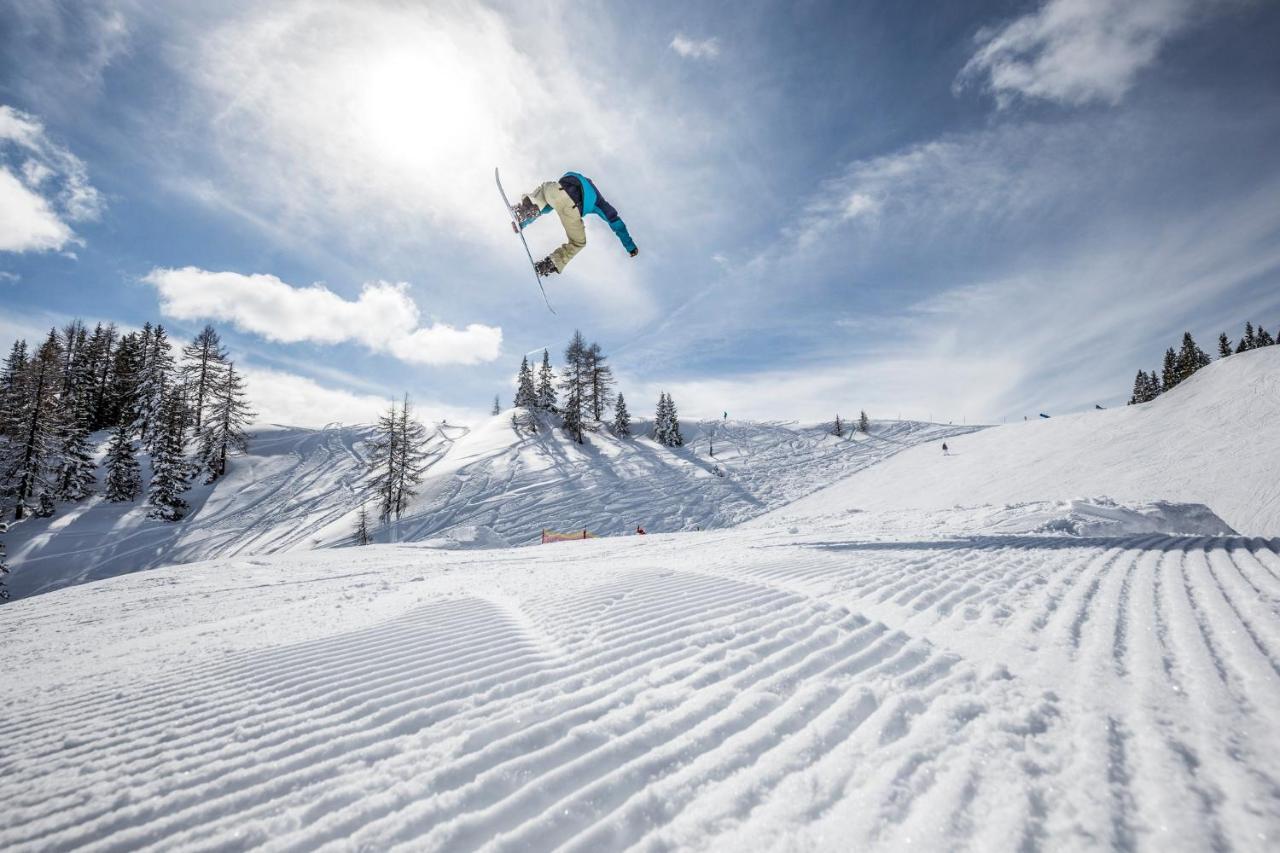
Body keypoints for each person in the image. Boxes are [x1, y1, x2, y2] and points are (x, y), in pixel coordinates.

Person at [512, 171, 638, 276]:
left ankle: (525, 211)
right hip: (572, 209)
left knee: (545, 192)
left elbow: (548, 206)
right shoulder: (599, 201)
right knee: (578, 243)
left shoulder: (572, 175)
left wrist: (523, 224)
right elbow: (615, 221)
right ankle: (550, 264)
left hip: (556, 191)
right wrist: (630, 246)